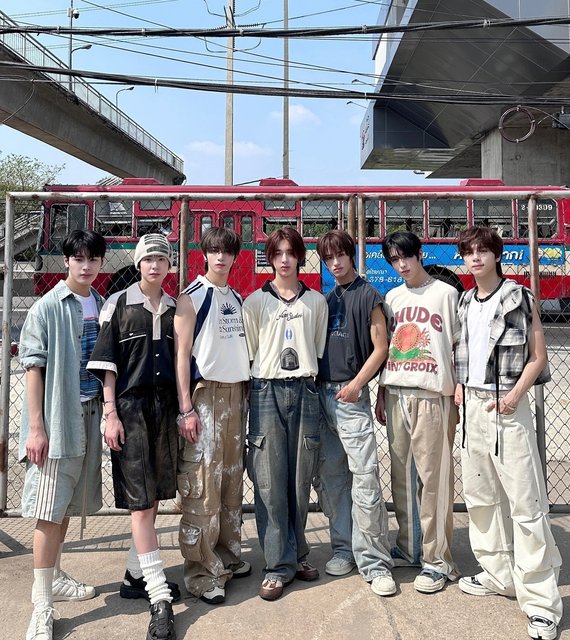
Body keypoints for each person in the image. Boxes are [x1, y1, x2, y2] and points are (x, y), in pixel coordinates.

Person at [455, 227, 562, 640]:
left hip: (507, 408)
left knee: (525, 503)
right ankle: (498, 573)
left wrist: (515, 396)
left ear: (497, 255)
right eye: (469, 252)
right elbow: (464, 351)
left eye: (483, 250)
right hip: (474, 408)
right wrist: (461, 387)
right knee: (480, 498)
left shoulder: (519, 297)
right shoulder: (466, 301)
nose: (476, 257)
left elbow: (538, 356)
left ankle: (541, 604)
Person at [87, 234, 179, 640]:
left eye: (161, 259)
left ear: (169, 265)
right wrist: (111, 414)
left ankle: (134, 576)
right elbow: (108, 365)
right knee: (140, 505)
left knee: (153, 497)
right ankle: (158, 596)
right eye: (148, 259)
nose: (154, 265)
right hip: (130, 409)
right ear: (138, 264)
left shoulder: (175, 306)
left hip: (165, 409)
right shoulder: (118, 304)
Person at [20, 230, 106, 640]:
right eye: (79, 258)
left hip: (89, 416)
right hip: (58, 420)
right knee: (49, 511)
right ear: (67, 260)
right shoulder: (47, 307)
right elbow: (32, 368)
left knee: (67, 505)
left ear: (101, 262)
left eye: (93, 259)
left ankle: (54, 577)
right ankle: (41, 606)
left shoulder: (102, 304)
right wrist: (36, 428)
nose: (85, 266)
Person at [243, 226, 328, 601]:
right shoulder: (255, 303)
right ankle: (277, 566)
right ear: (270, 258)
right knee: (269, 481)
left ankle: (297, 555)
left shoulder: (316, 303)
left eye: (291, 252)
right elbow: (252, 351)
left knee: (299, 479)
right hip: (266, 389)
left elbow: (317, 349)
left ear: (300, 257)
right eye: (277, 253)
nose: (284, 259)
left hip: (305, 388)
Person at [375, 230, 460, 593]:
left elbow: (459, 345)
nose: (402, 265)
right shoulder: (393, 297)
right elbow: (390, 347)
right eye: (394, 260)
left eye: (406, 256)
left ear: (420, 253)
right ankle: (410, 546)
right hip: (397, 390)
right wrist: (381, 391)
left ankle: (438, 560)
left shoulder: (446, 293)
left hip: (432, 394)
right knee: (402, 477)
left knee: (433, 480)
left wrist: (459, 386)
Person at [314, 230, 395, 596]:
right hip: (323, 396)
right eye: (328, 258)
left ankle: (375, 561)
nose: (336, 263)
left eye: (341, 255)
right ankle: (344, 549)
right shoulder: (326, 299)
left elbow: (381, 348)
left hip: (351, 396)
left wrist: (358, 384)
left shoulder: (369, 296)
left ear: (351, 255)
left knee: (365, 480)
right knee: (333, 480)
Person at [174, 227, 251, 605]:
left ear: (235, 256)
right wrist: (185, 407)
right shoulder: (191, 297)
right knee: (202, 485)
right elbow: (181, 355)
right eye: (214, 251)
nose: (221, 257)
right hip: (205, 395)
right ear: (204, 254)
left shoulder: (236, 297)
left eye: (227, 251)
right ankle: (201, 572)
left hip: (236, 393)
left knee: (230, 483)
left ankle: (227, 555)